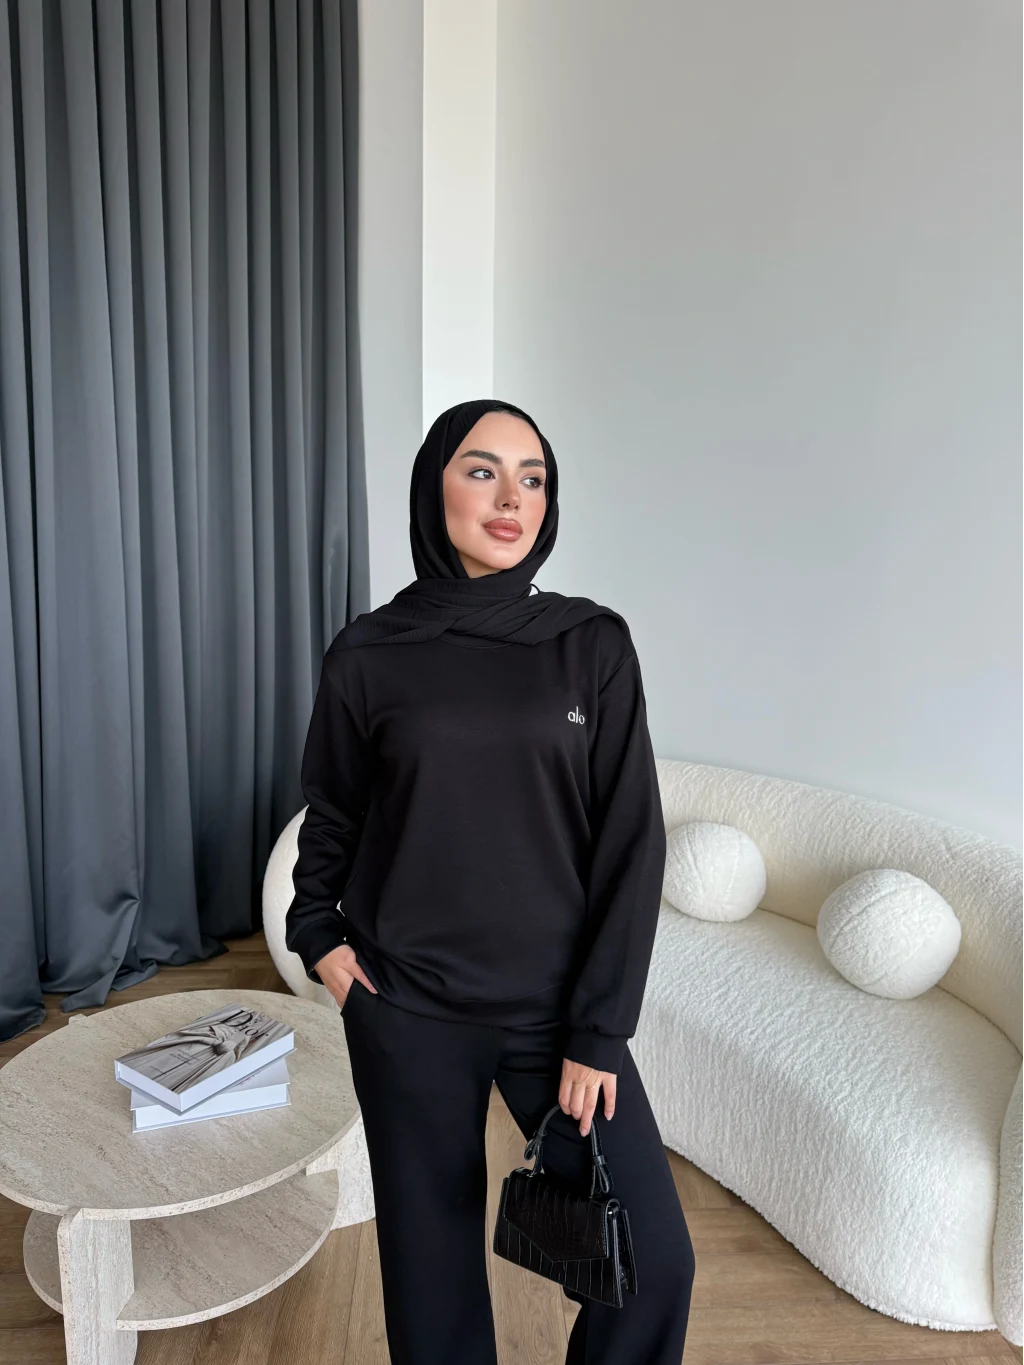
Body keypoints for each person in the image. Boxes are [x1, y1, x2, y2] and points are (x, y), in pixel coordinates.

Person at [285, 398, 695, 1365]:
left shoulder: (591, 643)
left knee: (652, 1263)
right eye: (482, 470)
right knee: (430, 1285)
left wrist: (599, 1029)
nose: (512, 497)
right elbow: (333, 811)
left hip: (555, 1012)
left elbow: (630, 842)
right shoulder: (368, 653)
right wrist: (320, 939)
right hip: (407, 1005)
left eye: (533, 477)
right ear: (434, 488)